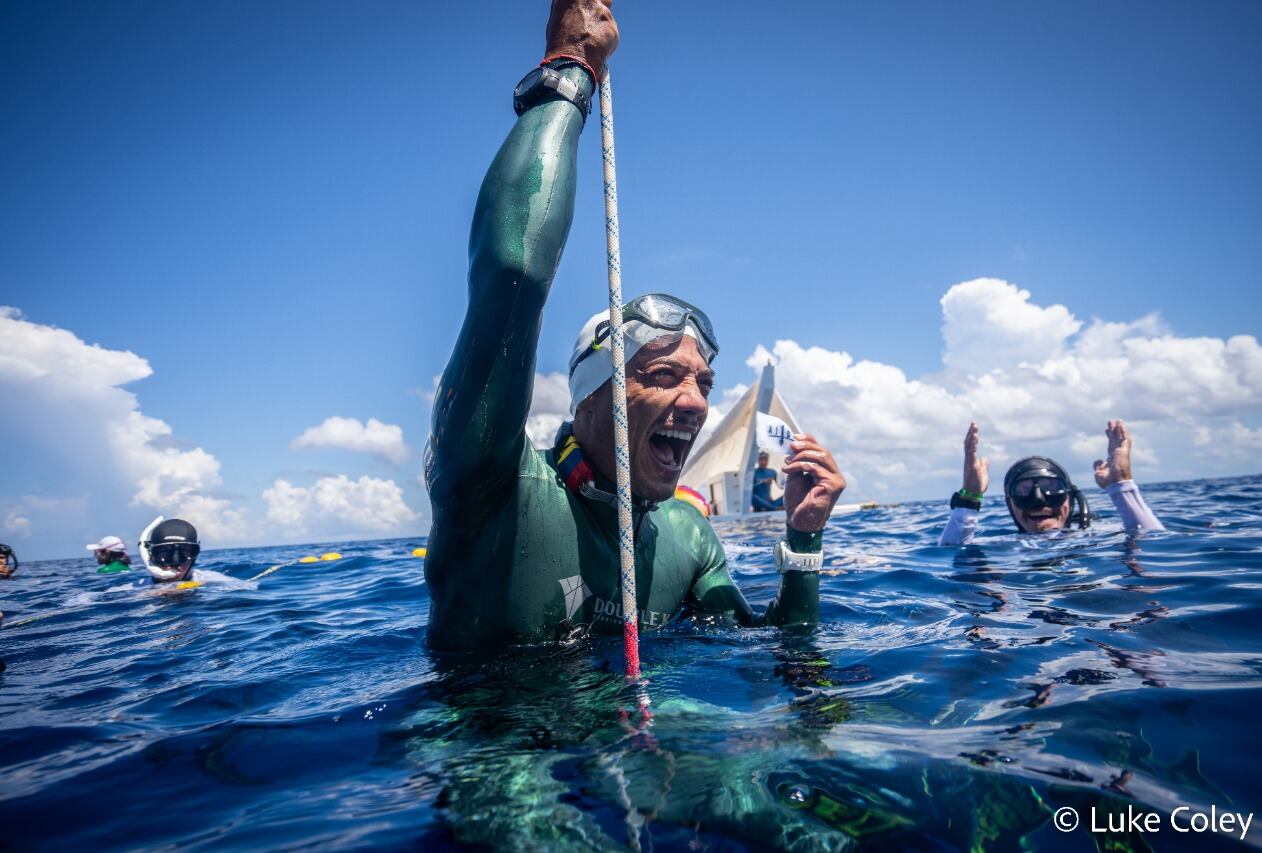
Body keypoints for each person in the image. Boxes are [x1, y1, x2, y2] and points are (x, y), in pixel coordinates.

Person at [423, 0, 846, 650]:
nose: (696, 403)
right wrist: (570, 70)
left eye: (704, 383)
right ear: (592, 396)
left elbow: (777, 659)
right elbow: (511, 278)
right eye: (665, 375)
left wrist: (803, 538)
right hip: (490, 720)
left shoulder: (687, 536)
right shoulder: (497, 488)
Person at [939, 419, 1165, 546]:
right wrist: (970, 498)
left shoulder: (1100, 536)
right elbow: (952, 553)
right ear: (1010, 504)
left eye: (1051, 488)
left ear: (1070, 497)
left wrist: (1121, 484)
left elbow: (1154, 544)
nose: (1038, 500)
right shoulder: (1003, 546)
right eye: (1023, 491)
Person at [138, 516, 202, 584]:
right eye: (165, 553)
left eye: (184, 553)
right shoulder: (136, 588)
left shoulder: (206, 580)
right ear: (150, 555)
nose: (175, 565)